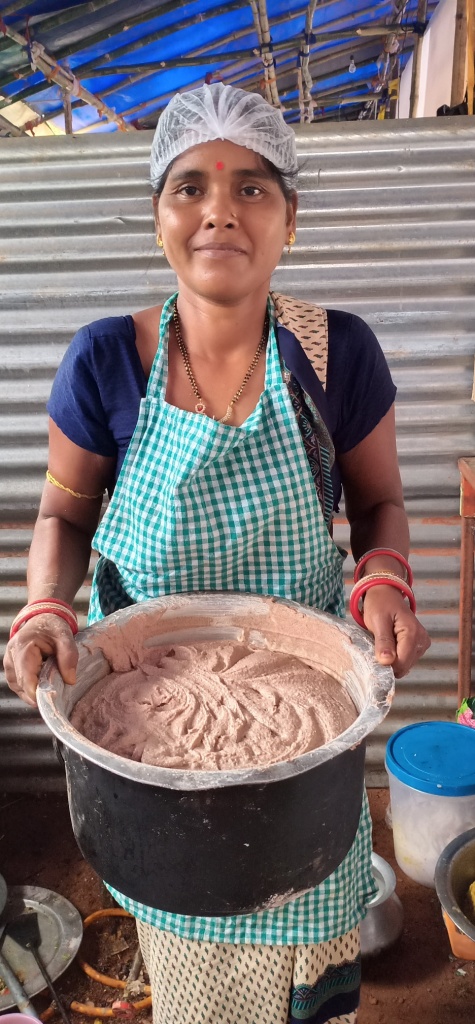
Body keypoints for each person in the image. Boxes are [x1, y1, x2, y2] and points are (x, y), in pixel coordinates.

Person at [4, 83, 430, 1024]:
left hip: (304, 732)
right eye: (189, 186)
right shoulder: (105, 362)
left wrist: (385, 581)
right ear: (158, 216)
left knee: (310, 910)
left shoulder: (335, 354)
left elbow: (380, 500)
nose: (218, 212)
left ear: (289, 220)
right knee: (192, 935)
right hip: (148, 725)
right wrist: (45, 606)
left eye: (251, 189)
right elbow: (63, 520)